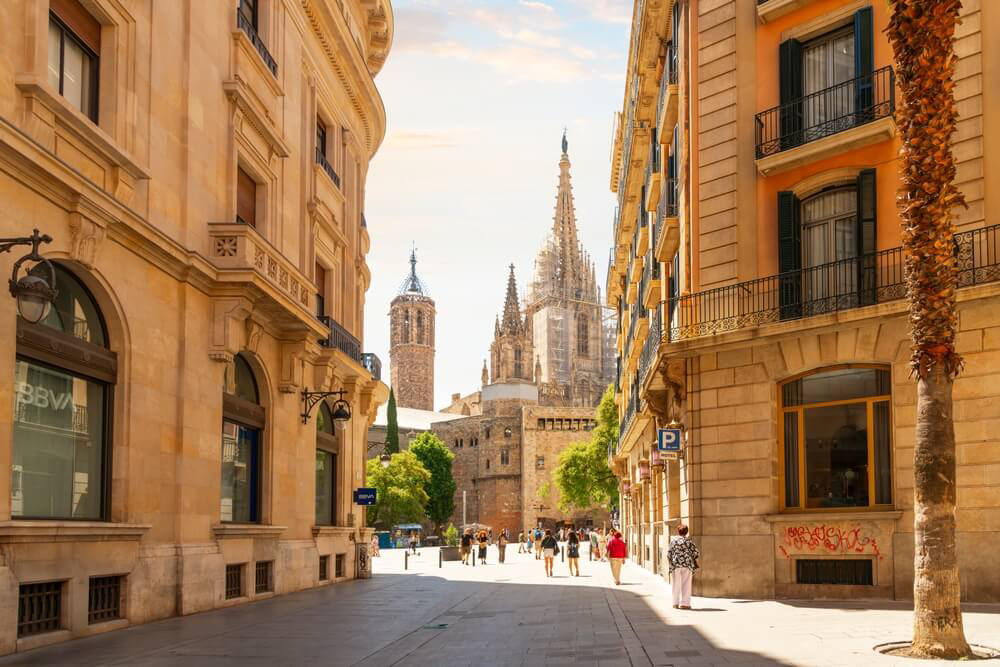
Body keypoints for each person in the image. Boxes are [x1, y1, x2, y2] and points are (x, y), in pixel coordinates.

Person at [668, 524, 700, 609]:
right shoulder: (689, 541)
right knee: (686, 583)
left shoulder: (673, 541)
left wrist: (671, 563)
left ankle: (675, 603)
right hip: (687, 565)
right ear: (687, 532)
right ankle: (685, 604)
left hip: (676, 565)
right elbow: (696, 553)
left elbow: (669, 554)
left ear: (678, 532)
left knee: (676, 584)